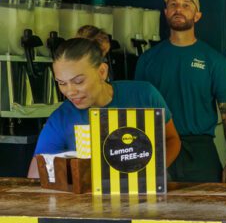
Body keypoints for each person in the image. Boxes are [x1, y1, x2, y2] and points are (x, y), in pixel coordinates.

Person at [28, 37, 180, 176]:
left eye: (79, 81)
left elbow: (171, 140)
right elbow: (36, 172)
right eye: (61, 83)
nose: (70, 91)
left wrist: (150, 173)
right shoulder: (61, 119)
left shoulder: (145, 94)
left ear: (102, 72)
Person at [134, 0, 226, 183]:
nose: (178, 9)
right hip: (160, 147)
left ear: (197, 15)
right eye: (173, 5)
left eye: (186, 5)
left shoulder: (214, 61)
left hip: (201, 149)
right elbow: (138, 111)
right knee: (156, 212)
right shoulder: (147, 60)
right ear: (166, 13)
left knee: (207, 211)